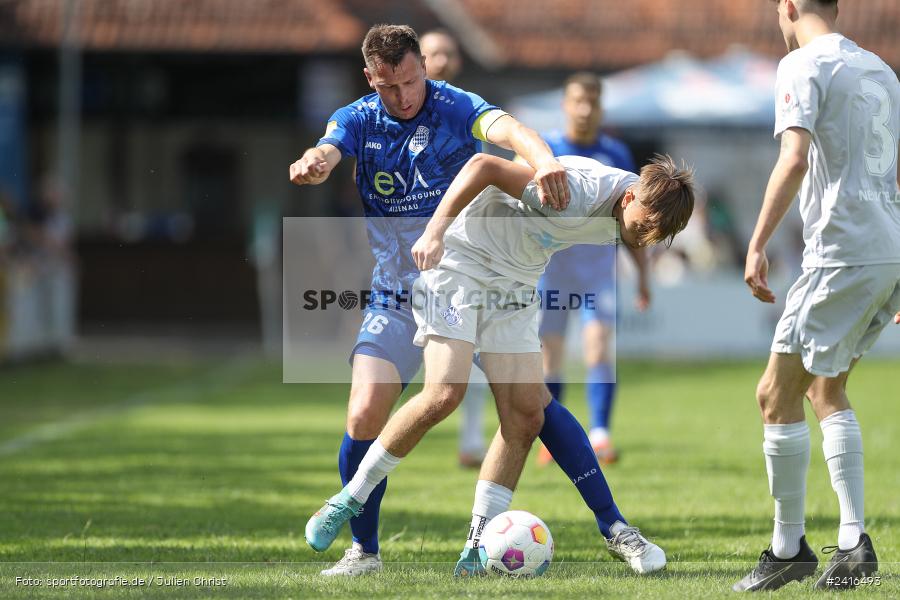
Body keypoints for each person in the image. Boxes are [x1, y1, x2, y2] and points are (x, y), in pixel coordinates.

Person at [305, 151, 696, 576]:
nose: (642, 239)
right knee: (444, 393)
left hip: (517, 282)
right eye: (641, 228)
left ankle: (478, 548)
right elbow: (483, 167)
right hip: (460, 263)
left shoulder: (640, 214)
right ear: (628, 199)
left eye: (654, 237)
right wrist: (436, 230)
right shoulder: (574, 192)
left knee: (527, 414)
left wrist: (641, 271)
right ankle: (349, 499)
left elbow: (637, 234)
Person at [289, 23, 571, 577]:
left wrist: (547, 161)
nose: (404, 96)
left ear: (424, 66)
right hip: (397, 290)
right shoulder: (356, 119)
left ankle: (613, 524)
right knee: (364, 411)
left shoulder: (454, 104)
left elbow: (509, 129)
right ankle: (363, 552)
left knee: (529, 408)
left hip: (472, 284)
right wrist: (317, 161)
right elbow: (327, 144)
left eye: (412, 81)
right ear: (371, 79)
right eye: (390, 87)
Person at [734, 0, 900, 592]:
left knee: (774, 397)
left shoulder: (803, 63)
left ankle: (788, 548)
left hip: (841, 251)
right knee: (826, 390)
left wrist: (755, 243)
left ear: (789, 6)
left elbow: (795, 156)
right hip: (886, 249)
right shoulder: (880, 68)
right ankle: (854, 541)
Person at [535, 72, 649, 467]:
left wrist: (643, 277)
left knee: (599, 346)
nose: (585, 109)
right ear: (566, 104)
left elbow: (635, 222)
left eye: (593, 102)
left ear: (601, 107)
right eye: (578, 101)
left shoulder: (616, 154)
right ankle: (553, 437)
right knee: (551, 356)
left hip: (598, 270)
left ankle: (600, 433)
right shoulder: (544, 148)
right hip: (552, 270)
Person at [420, 27, 490, 469]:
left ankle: (470, 439)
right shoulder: (395, 114)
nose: (441, 60)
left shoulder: (467, 111)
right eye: (433, 54)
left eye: (448, 53)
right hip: (412, 249)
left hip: (466, 246)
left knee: (474, 347)